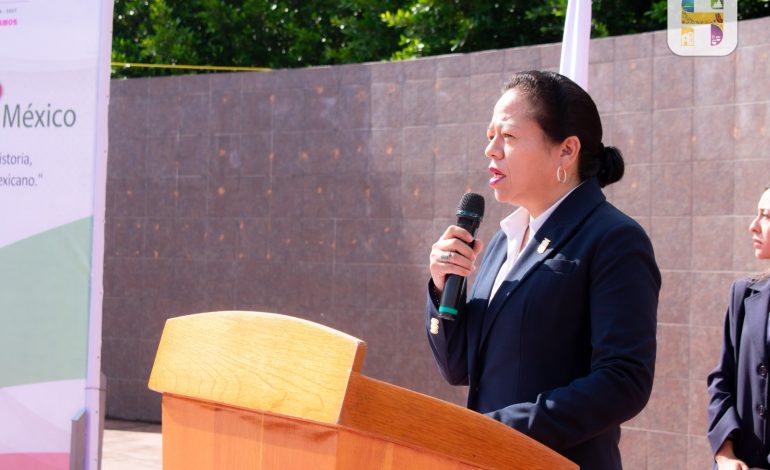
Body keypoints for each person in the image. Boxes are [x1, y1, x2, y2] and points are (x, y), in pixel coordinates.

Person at [425, 70, 661, 469]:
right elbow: (458, 368)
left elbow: (624, 381)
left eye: (509, 137)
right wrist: (441, 289)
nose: (492, 150)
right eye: (490, 137)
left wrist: (501, 430)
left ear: (566, 151)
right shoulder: (503, 240)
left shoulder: (613, 238)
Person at [708, 186, 770, 470]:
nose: (753, 226)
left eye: (766, 216)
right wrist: (725, 453)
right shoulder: (744, 294)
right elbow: (722, 380)